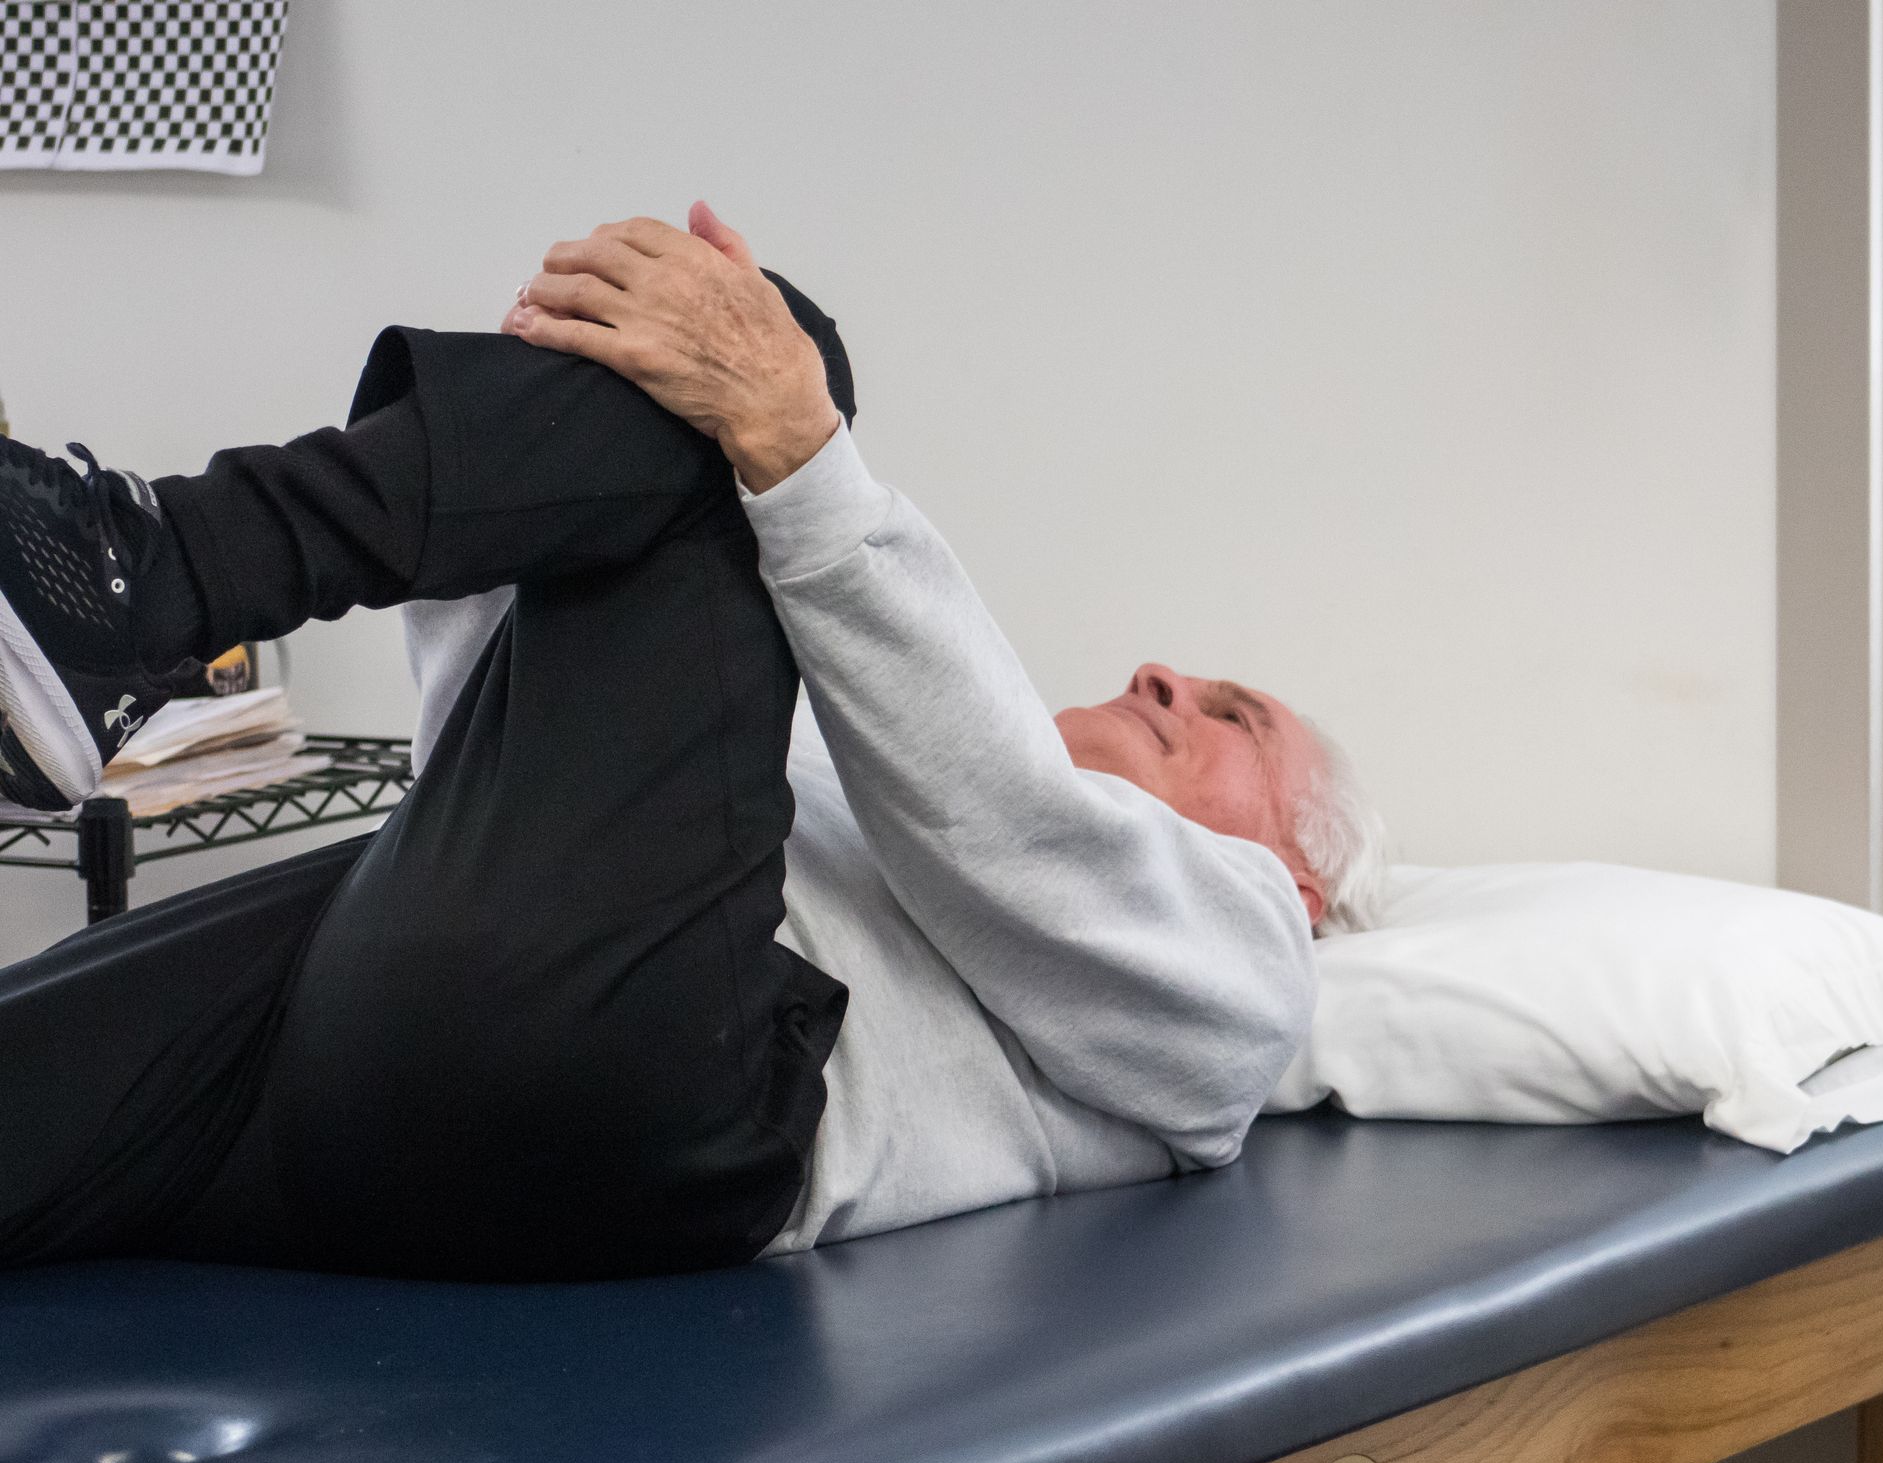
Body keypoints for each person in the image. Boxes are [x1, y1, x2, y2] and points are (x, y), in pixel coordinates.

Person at [0, 203, 1387, 1282]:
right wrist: (535, 484)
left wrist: (784, 421)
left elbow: (1005, 825)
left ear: (1301, 877)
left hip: (649, 1111)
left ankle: (131, 576)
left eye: (1233, 715)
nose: (1164, 676)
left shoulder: (1251, 976)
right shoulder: (809, 796)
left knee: (781, 344)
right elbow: (481, 877)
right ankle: (104, 600)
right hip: (387, 1044)